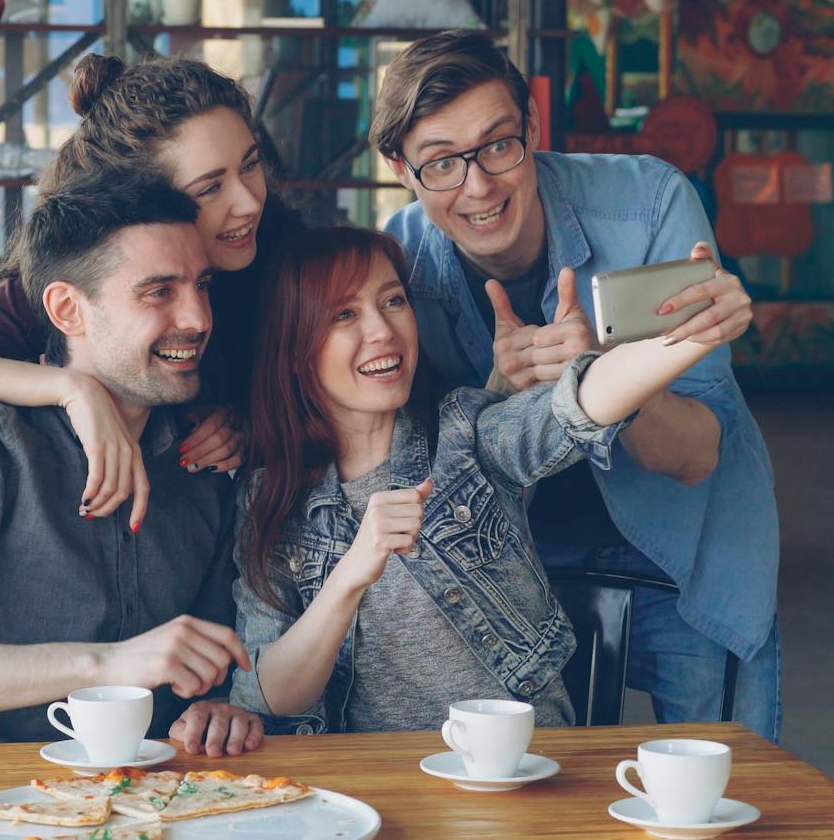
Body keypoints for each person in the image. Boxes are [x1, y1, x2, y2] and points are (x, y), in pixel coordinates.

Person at [373, 31, 780, 739]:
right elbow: (411, 464)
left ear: (532, 127)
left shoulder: (649, 205)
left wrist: (603, 379)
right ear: (400, 169)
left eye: (497, 146)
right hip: (513, 568)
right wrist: (497, 397)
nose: (478, 187)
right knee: (533, 798)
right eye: (440, 163)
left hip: (681, 549)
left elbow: (696, 456)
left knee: (724, 792)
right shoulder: (400, 259)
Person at [0, 171, 265, 755]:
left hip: (158, 797)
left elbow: (217, 659)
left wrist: (220, 706)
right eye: (159, 291)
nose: (198, 318)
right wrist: (104, 665)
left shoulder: (203, 452)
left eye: (202, 286)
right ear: (68, 309)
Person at [225, 227, 723, 733]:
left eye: (393, 300)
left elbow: (577, 406)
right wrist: (353, 570)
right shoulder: (270, 500)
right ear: (293, 349)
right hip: (376, 787)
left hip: (519, 767)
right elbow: (275, 696)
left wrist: (690, 335)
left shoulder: (465, 432)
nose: (382, 330)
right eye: (344, 314)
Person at [0, 54, 299, 529]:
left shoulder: (288, 257)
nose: (249, 202)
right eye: (210, 189)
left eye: (250, 166)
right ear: (142, 200)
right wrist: (71, 389)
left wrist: (249, 428)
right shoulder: (77, 291)